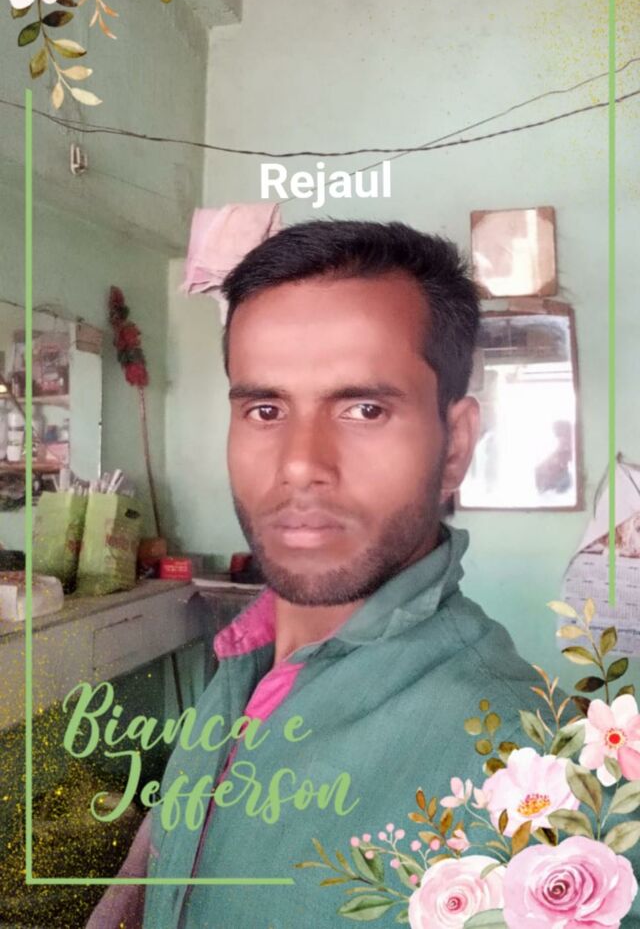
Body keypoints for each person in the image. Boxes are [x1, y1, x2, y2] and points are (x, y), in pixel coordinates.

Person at [88, 220, 639, 928]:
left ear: (455, 446)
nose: (299, 463)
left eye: (365, 408)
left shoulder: (544, 788)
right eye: (265, 408)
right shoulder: (239, 670)